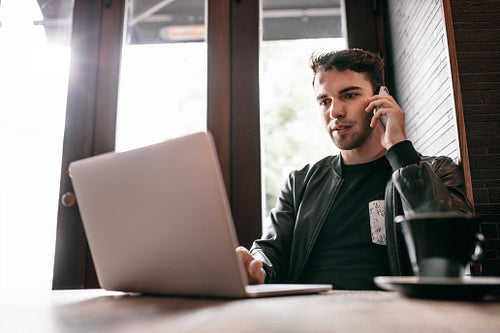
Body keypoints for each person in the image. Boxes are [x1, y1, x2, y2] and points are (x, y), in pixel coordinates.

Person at [236, 48, 473, 290]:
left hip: (395, 315)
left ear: (381, 98)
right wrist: (256, 269)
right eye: (324, 101)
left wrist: (400, 150)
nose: (335, 112)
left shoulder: (435, 170)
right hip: (308, 314)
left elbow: (454, 249)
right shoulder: (300, 182)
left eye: (349, 95)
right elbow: (270, 250)